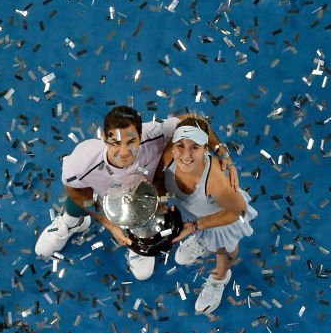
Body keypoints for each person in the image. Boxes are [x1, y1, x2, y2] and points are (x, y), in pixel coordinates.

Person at [35, 105, 235, 281]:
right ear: (104, 138)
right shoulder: (84, 158)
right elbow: (73, 188)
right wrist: (107, 222)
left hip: (145, 201)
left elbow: (193, 121)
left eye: (131, 141)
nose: (124, 151)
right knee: (81, 201)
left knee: (143, 273)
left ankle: (139, 238)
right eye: (115, 142)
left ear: (141, 136)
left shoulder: (155, 133)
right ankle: (72, 222)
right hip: (105, 200)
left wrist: (221, 150)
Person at [158, 116, 256, 314]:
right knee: (198, 233)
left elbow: (239, 211)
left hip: (220, 219)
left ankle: (219, 278)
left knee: (224, 250)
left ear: (205, 149)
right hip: (190, 211)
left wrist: (195, 226)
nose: (185, 155)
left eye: (195, 147)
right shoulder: (169, 154)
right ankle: (200, 241)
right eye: (181, 145)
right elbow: (191, 119)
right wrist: (221, 150)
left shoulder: (217, 182)